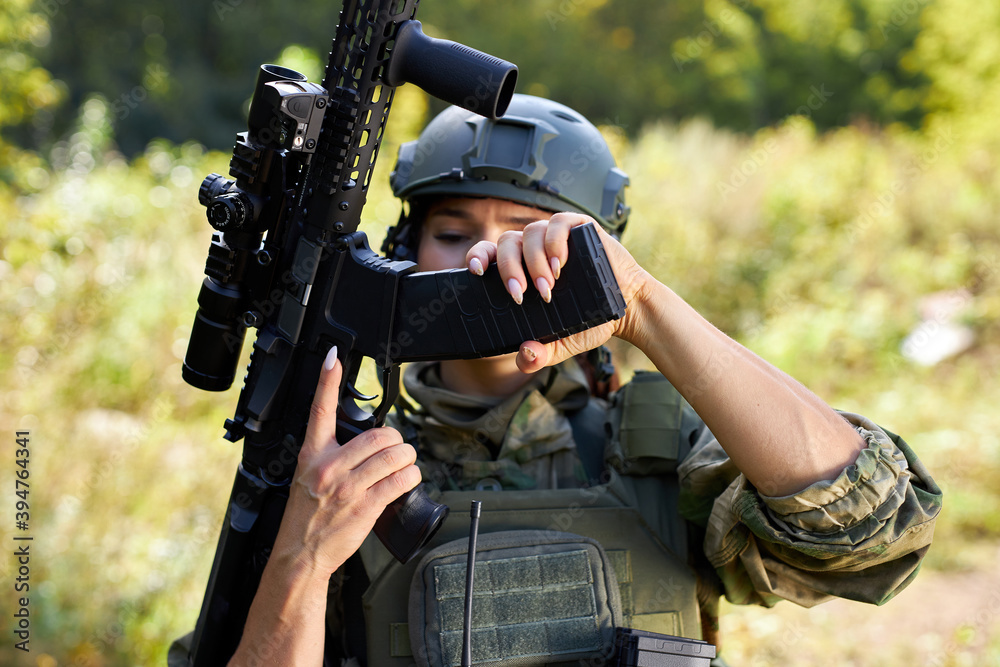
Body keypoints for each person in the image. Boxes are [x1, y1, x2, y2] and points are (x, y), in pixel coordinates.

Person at [170, 95, 942, 666]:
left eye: (528, 235)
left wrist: (642, 305)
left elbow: (874, 533)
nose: (488, 259)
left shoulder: (652, 446)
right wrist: (301, 562)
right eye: (453, 232)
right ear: (405, 250)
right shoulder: (336, 464)